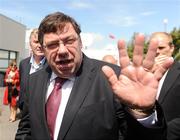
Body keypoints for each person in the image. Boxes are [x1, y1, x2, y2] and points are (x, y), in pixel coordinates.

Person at [15, 12, 173, 140]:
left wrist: (143, 112)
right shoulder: (34, 80)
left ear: (80, 42)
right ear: (43, 48)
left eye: (69, 41)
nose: (62, 50)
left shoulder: (113, 78)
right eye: (52, 45)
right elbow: (26, 129)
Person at [149, 32, 180, 140]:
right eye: (153, 48)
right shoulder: (144, 73)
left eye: (161, 47)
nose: (157, 52)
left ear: (171, 48)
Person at [17, 28, 46, 111]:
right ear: (30, 44)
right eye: (36, 42)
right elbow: (22, 87)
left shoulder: (52, 65)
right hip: (25, 112)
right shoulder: (23, 64)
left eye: (42, 42)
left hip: (43, 114)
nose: (40, 45)